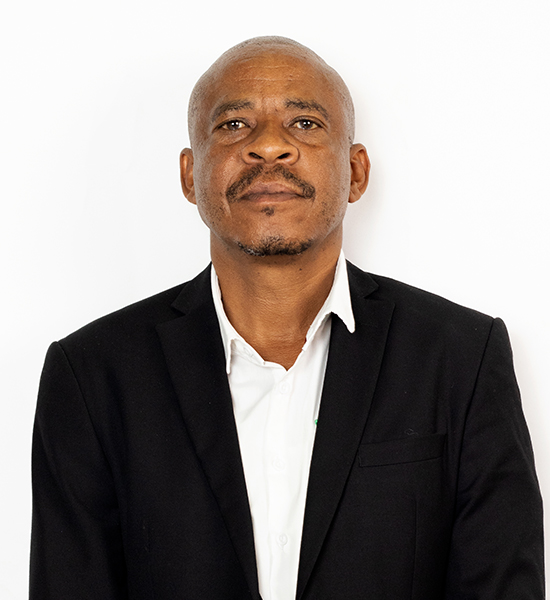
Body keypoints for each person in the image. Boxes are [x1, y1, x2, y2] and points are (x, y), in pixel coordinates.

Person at [30, 36, 544, 599]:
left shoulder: (462, 358)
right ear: (189, 176)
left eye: (304, 123)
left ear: (356, 172)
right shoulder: (93, 374)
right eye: (234, 125)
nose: (269, 146)